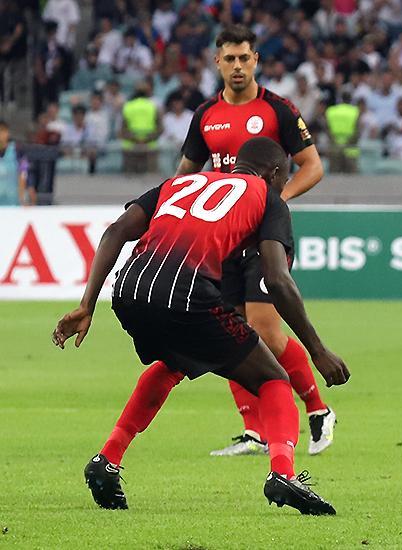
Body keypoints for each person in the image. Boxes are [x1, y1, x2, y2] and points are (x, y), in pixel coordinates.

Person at [53, 137, 349, 515]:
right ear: (275, 173)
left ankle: (107, 459)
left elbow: (115, 232)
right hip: (186, 292)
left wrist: (86, 305)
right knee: (273, 380)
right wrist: (317, 350)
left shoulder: (180, 182)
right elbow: (277, 279)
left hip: (128, 289)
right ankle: (283, 474)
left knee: (173, 363)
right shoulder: (267, 197)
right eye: (283, 178)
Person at [174, 25, 337, 456]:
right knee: (229, 329)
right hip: (223, 237)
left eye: (244, 58)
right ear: (217, 63)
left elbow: (313, 166)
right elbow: (185, 174)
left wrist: (273, 200)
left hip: (264, 236)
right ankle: (254, 431)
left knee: (264, 326)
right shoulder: (205, 115)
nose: (238, 66)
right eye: (229, 59)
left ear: (256, 60)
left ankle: (317, 409)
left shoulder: (278, 110)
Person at [0, 120, 31, 205]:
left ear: (7, 133)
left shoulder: (18, 150)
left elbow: (24, 172)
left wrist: (23, 196)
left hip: (13, 201)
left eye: (2, 131)